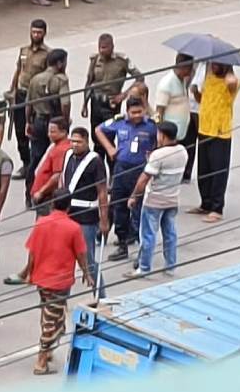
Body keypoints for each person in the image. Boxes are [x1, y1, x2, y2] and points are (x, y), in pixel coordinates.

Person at [25, 194, 93, 375]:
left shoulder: (41, 223)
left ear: (53, 204)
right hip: (59, 282)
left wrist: (28, 273)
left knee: (49, 315)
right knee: (52, 320)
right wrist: (87, 273)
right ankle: (41, 360)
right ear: (69, 207)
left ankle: (46, 351)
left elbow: (32, 252)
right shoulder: (73, 228)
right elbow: (81, 255)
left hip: (41, 278)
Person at [95, 97, 157, 262]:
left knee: (138, 209)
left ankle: (140, 248)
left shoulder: (151, 125)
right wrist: (109, 148)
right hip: (121, 168)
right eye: (133, 112)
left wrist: (155, 155)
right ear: (127, 112)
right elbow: (99, 130)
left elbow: (164, 139)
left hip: (141, 171)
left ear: (144, 110)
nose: (136, 115)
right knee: (119, 205)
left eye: (139, 112)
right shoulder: (119, 122)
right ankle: (122, 244)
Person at [128, 121, 187, 279]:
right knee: (170, 233)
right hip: (173, 198)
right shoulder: (182, 151)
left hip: (154, 200)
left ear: (162, 135)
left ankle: (144, 267)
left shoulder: (158, 155)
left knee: (148, 234)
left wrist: (134, 196)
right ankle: (170, 266)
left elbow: (144, 179)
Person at [58, 127, 109, 288]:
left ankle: (100, 296)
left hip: (87, 216)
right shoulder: (67, 155)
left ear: (87, 142)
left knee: (88, 259)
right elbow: (63, 179)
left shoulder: (95, 161)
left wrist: (104, 219)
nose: (75, 145)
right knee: (65, 258)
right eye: (72, 141)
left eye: (79, 142)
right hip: (67, 213)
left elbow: (102, 191)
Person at [191, 61, 240, 223]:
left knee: (218, 171)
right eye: (212, 63)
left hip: (220, 132)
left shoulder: (231, 82)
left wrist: (230, 71)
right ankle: (206, 202)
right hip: (204, 128)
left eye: (218, 64)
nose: (213, 66)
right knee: (204, 169)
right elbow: (201, 100)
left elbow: (233, 83)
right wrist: (195, 92)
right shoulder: (210, 78)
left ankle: (217, 208)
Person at [83, 34, 143, 161]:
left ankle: (113, 167)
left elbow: (140, 78)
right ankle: (98, 171)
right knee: (96, 137)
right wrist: (85, 104)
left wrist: (124, 95)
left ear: (112, 47)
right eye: (100, 47)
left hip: (111, 104)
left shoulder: (122, 61)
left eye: (105, 47)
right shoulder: (95, 60)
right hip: (96, 102)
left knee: (109, 137)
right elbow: (89, 82)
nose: (102, 51)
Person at [25, 49, 70, 206]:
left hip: (38, 121)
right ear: (59, 63)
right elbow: (65, 103)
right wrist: (65, 122)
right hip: (55, 122)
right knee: (57, 160)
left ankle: (29, 194)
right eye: (64, 62)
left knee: (36, 158)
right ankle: (52, 193)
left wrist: (28, 122)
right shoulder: (61, 80)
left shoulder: (35, 79)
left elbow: (28, 104)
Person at [6, 20, 49, 178]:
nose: (36, 35)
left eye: (39, 32)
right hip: (21, 95)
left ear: (44, 33)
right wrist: (12, 90)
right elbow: (19, 70)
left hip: (37, 97)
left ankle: (36, 165)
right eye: (33, 32)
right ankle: (26, 163)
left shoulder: (48, 54)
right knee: (19, 132)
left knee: (34, 131)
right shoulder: (24, 50)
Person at [153, 53, 195, 176]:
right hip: (171, 133)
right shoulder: (166, 83)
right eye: (190, 67)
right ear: (183, 67)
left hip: (183, 130)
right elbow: (158, 111)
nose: (192, 70)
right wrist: (159, 133)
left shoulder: (183, 80)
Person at [29, 116, 72, 214]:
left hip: (47, 197)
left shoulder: (61, 150)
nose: (49, 135)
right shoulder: (56, 146)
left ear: (64, 132)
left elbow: (57, 176)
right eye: (49, 131)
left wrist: (41, 192)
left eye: (53, 132)